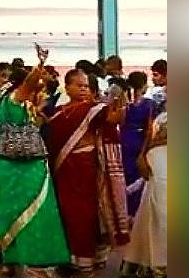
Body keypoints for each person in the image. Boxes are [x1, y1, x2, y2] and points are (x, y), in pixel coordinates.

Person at [0, 46, 70, 277]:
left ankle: (10, 261)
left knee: (8, 210)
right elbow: (29, 85)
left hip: (6, 163)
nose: (38, 91)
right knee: (34, 209)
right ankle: (33, 259)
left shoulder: (5, 99)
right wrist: (39, 65)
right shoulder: (16, 96)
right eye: (36, 87)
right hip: (22, 167)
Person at [45, 69, 130, 273]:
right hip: (63, 170)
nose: (83, 89)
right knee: (66, 213)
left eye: (86, 86)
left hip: (87, 171)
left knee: (86, 214)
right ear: (67, 88)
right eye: (79, 85)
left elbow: (114, 119)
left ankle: (86, 260)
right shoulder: (57, 113)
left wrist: (120, 100)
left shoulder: (94, 110)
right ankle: (68, 257)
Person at [120, 110, 167, 278]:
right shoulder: (162, 117)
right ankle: (155, 265)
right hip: (157, 167)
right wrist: (146, 150)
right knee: (155, 213)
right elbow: (150, 137)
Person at [121, 71, 155, 216]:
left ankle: (125, 211)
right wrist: (145, 149)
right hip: (139, 140)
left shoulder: (125, 104)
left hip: (124, 138)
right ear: (143, 85)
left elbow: (121, 122)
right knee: (138, 175)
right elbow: (149, 129)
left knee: (125, 175)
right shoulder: (149, 104)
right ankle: (136, 212)